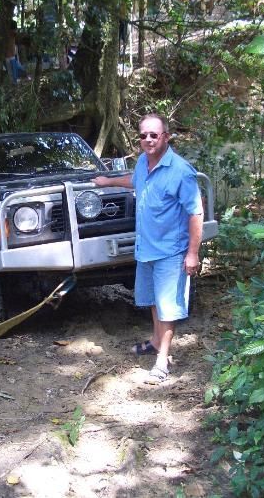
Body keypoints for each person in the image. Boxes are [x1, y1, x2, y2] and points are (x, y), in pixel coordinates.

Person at [92, 113, 203, 383]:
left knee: (168, 307)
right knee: (153, 300)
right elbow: (135, 179)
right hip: (146, 249)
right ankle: (155, 341)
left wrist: (192, 253)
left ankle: (162, 361)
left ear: (166, 136)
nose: (148, 140)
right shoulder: (144, 161)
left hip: (171, 252)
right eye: (143, 135)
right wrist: (107, 182)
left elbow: (196, 213)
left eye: (154, 134)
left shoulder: (181, 171)